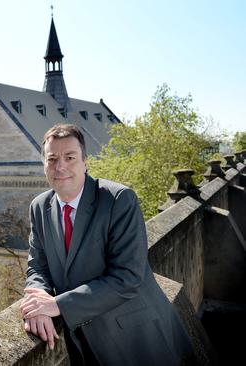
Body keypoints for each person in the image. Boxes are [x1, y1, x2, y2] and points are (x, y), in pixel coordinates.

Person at [20, 124, 193, 365]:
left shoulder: (118, 199)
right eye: (52, 159)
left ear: (85, 162)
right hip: (82, 341)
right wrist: (37, 298)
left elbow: (127, 277)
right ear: (44, 165)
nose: (60, 166)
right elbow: (37, 265)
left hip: (136, 338)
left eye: (70, 157)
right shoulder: (39, 206)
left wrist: (57, 305)